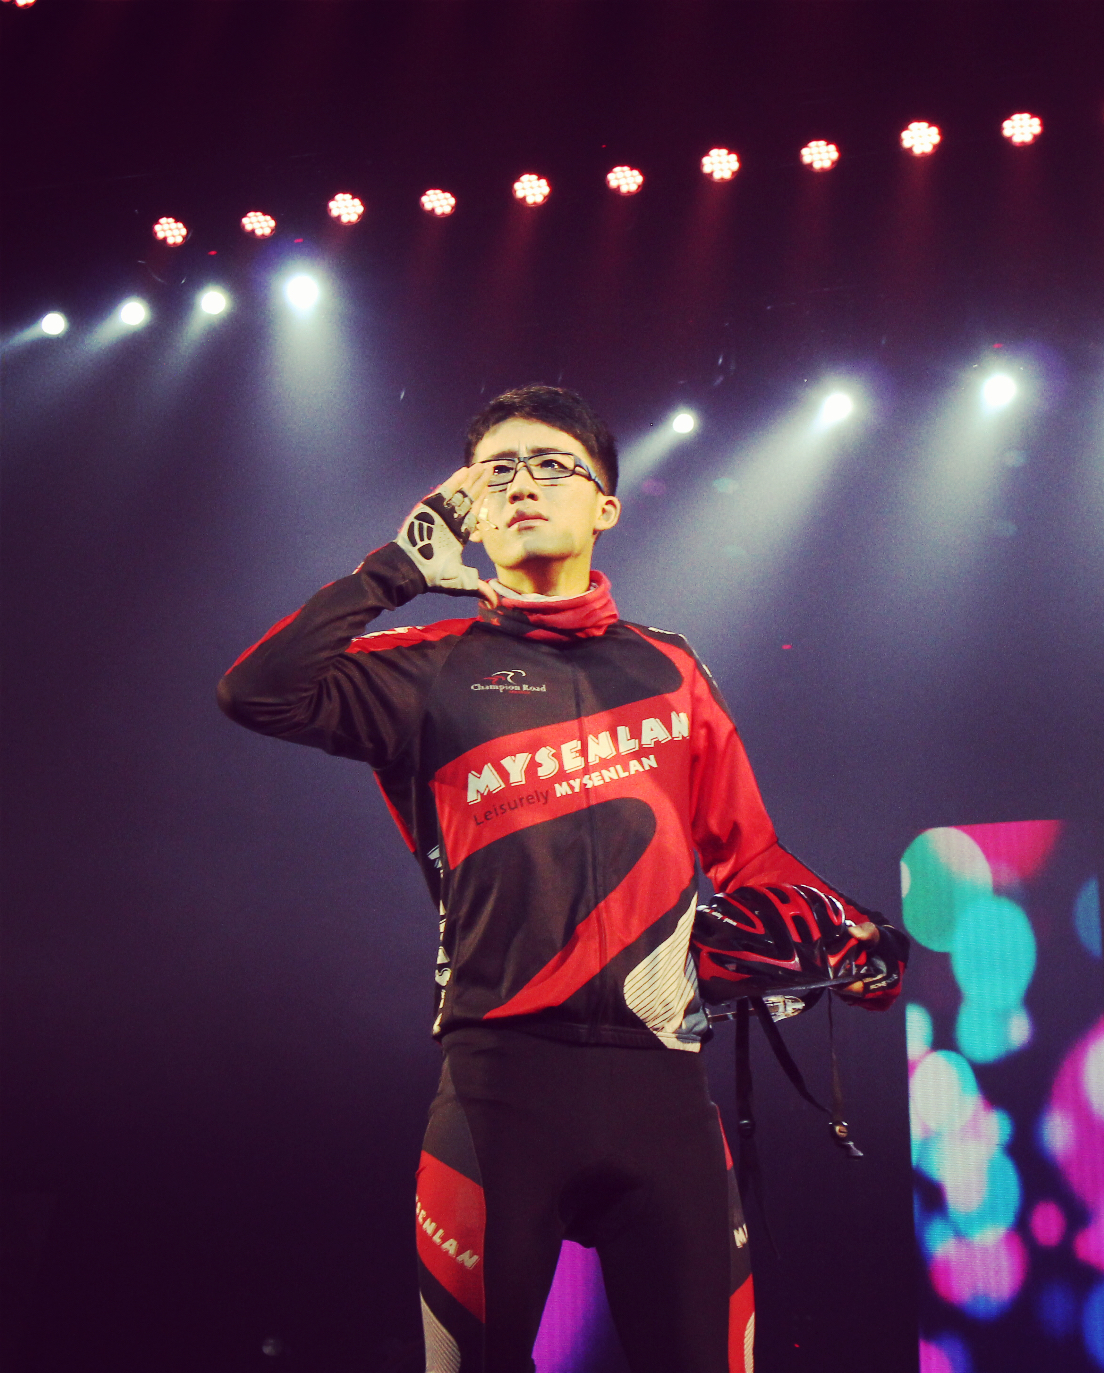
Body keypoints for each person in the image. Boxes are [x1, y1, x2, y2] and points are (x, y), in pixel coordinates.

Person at [218, 385, 901, 1373]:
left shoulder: (670, 669)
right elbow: (256, 692)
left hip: (665, 1090)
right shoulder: (423, 670)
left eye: (549, 464)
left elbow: (751, 855)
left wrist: (854, 936)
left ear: (605, 506)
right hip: (500, 1088)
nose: (519, 483)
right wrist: (391, 572)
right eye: (494, 470)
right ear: (467, 503)